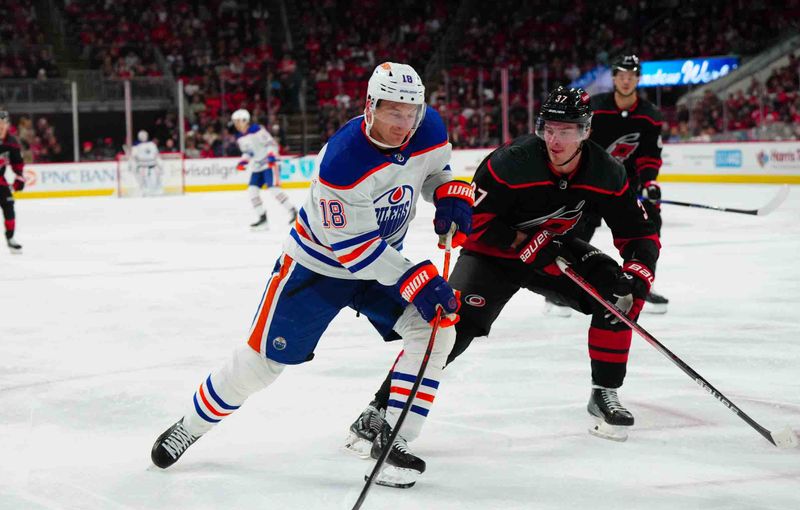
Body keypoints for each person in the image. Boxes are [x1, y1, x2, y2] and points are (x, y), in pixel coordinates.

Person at [150, 62, 474, 488]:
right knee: (261, 365)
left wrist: (448, 192)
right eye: (393, 112)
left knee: (435, 329)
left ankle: (393, 439)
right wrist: (417, 278)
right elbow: (355, 251)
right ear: (370, 107)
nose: (404, 124)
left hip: (382, 264)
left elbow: (432, 173)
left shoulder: (429, 129)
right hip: (319, 268)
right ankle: (191, 425)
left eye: (411, 112)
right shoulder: (341, 162)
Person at [346, 86, 660, 445]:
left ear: (586, 131)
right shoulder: (511, 162)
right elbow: (471, 221)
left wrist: (638, 271)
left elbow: (639, 232)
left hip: (551, 251)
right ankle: (380, 408)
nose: (556, 140)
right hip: (491, 256)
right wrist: (520, 243)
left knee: (617, 295)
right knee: (451, 325)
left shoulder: (607, 172)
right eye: (549, 128)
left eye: (568, 130)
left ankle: (604, 391)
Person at [571, 53, 668, 314]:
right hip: (592, 181)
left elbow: (649, 154)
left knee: (647, 226)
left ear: (637, 79)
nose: (626, 81)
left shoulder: (650, 114)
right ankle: (562, 287)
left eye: (631, 76)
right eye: (621, 76)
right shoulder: (596, 107)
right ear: (614, 78)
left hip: (628, 186)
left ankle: (641, 283)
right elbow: (582, 143)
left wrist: (649, 182)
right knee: (576, 228)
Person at [231, 109, 298, 229]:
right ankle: (262, 219)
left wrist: (272, 155)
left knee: (274, 189)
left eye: (238, 121)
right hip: (257, 167)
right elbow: (248, 153)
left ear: (245, 120)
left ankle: (294, 212)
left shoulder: (257, 130)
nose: (236, 124)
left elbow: (271, 144)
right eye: (234, 121)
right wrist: (243, 161)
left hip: (269, 165)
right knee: (252, 191)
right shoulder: (240, 137)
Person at [0, 110, 25, 253]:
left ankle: (10, 238)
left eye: (4, 123)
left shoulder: (11, 142)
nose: (1, 126)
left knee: (9, 205)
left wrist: (19, 176)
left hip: (0, 181)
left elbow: (17, 162)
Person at [130, 130, 163, 196]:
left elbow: (156, 156)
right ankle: (144, 192)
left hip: (151, 167)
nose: (143, 137)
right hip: (143, 167)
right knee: (143, 184)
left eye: (144, 135)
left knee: (154, 182)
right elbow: (133, 158)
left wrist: (160, 165)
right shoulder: (137, 147)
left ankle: (153, 192)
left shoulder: (151, 145)